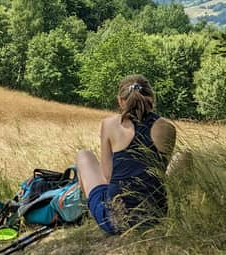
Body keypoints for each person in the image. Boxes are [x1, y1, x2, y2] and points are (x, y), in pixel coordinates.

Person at [76, 75, 177, 235]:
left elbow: (107, 176)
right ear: (151, 98)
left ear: (120, 101)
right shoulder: (167, 127)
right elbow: (158, 174)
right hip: (155, 216)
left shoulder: (109, 124)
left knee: (84, 155)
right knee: (183, 156)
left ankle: (89, 213)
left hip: (116, 220)